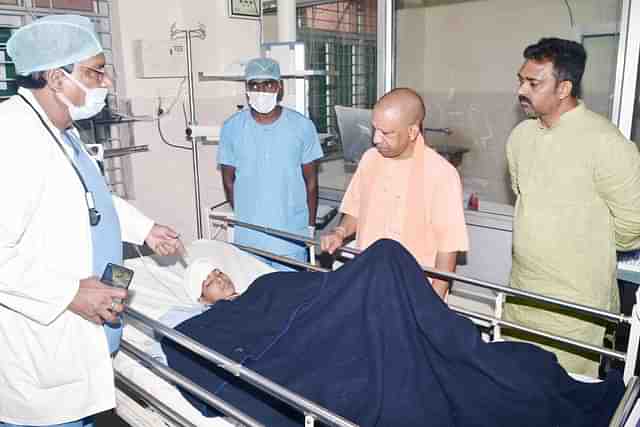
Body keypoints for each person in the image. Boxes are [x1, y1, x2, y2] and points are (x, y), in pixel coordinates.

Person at [0, 15, 184, 427]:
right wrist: (67, 293)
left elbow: (94, 199)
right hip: (43, 343)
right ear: (55, 76)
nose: (105, 83)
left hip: (84, 327)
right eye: (94, 72)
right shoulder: (10, 138)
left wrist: (146, 230)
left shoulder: (62, 130)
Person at [505, 37, 640, 376]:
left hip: (576, 309)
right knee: (513, 388)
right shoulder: (520, 137)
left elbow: (633, 226)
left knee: (564, 401)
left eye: (534, 83)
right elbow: (524, 195)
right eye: (521, 80)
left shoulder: (607, 144)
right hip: (521, 296)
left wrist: (586, 244)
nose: (522, 90)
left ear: (564, 87)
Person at [320, 88, 469, 299]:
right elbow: (355, 210)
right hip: (367, 279)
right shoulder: (370, 159)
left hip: (413, 289)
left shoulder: (441, 174)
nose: (376, 139)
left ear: (412, 132)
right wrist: (340, 232)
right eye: (375, 129)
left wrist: (433, 303)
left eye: (386, 133)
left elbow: (448, 249)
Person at [217, 57, 324, 271]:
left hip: (290, 235)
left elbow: (310, 182)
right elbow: (229, 181)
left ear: (279, 87)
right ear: (246, 89)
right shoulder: (232, 128)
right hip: (250, 236)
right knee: (256, 298)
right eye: (254, 85)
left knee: (291, 297)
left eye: (268, 84)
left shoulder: (302, 127)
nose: (261, 90)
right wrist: (249, 215)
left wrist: (309, 227)